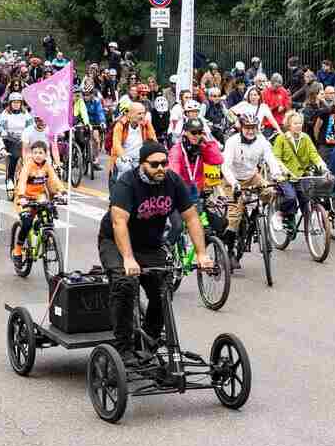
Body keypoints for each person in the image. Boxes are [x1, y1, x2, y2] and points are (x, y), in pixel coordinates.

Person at [99, 141, 212, 360]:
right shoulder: (127, 183)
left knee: (163, 290)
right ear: (142, 164)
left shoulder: (172, 181)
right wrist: (129, 259)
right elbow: (118, 223)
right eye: (154, 165)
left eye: (164, 163)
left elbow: (191, 217)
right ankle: (123, 348)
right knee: (125, 284)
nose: (161, 168)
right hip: (116, 242)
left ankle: (148, 341)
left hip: (150, 244)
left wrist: (201, 253)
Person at [221, 114, 286, 265]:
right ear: (241, 128)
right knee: (234, 217)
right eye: (247, 128)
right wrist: (234, 183)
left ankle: (257, 215)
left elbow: (270, 159)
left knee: (270, 191)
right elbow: (225, 166)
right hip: (233, 179)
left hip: (252, 176)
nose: (250, 131)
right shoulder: (232, 142)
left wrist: (276, 175)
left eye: (253, 128)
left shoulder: (262, 141)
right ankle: (229, 251)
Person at [11, 140, 66, 259]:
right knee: (26, 223)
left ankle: (47, 237)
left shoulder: (47, 165)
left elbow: (54, 180)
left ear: (46, 154)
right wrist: (21, 196)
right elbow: (22, 182)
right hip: (24, 199)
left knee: (49, 215)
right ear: (31, 154)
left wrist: (62, 192)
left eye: (40, 153)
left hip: (39, 197)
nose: (38, 155)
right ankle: (18, 250)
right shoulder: (28, 165)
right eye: (35, 152)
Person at [106, 103, 156, 184]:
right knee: (126, 170)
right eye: (139, 113)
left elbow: (153, 139)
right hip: (123, 158)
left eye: (144, 113)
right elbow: (116, 143)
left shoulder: (146, 124)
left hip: (140, 158)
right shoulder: (121, 124)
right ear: (130, 114)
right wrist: (123, 156)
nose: (142, 116)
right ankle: (121, 189)